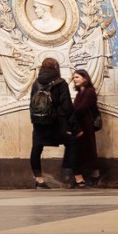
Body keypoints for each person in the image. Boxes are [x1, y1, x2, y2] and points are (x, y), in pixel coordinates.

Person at [30, 58, 76, 188]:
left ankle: (39, 180)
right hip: (57, 123)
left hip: (39, 122)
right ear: (56, 68)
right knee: (72, 142)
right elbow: (67, 106)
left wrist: (35, 120)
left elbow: (32, 104)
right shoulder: (61, 83)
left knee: (37, 148)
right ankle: (69, 177)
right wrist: (72, 124)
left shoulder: (36, 83)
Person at [71, 69, 99, 188]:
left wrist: (70, 116)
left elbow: (81, 108)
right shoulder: (80, 93)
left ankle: (94, 176)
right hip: (80, 125)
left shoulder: (89, 92)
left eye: (77, 77)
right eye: (74, 77)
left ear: (85, 78)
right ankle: (82, 177)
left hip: (86, 126)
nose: (74, 79)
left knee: (88, 150)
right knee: (80, 151)